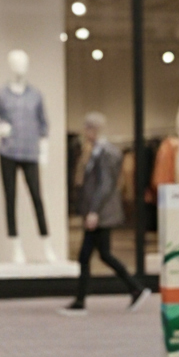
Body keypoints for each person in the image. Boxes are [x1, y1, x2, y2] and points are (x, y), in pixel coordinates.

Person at [60, 113, 151, 316]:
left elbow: (106, 184)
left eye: (87, 129)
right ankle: (134, 288)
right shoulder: (95, 151)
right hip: (99, 213)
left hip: (102, 214)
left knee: (88, 255)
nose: (85, 133)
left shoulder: (106, 152)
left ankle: (82, 301)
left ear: (94, 130)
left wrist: (94, 211)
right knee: (102, 254)